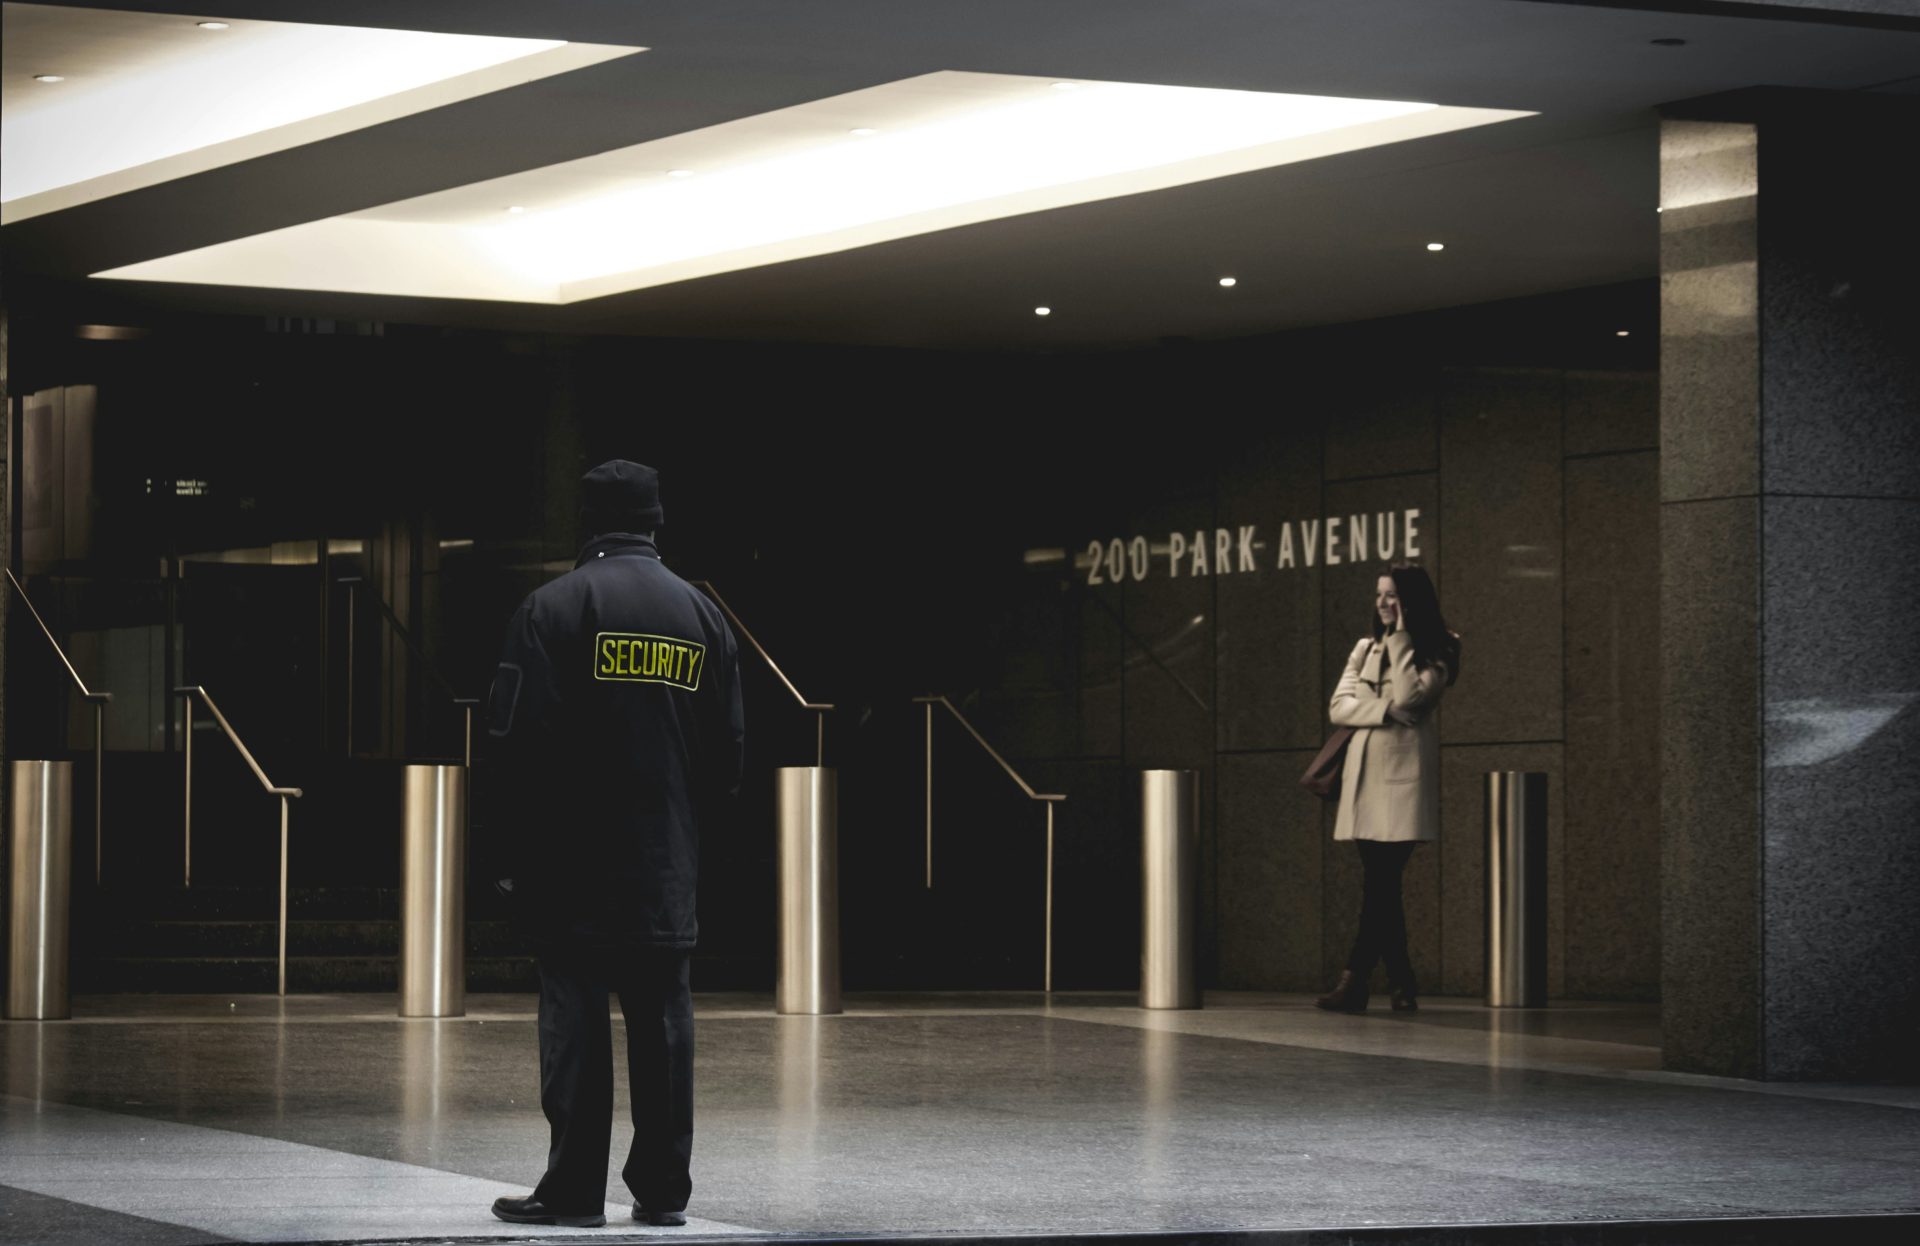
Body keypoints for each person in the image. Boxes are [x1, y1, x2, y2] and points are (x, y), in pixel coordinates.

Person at [487, 460, 745, 1229]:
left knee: (575, 1024)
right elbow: (729, 760)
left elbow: (515, 748)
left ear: (588, 522)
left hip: (572, 867)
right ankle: (663, 1192)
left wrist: (510, 861)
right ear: (657, 520)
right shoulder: (704, 616)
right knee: (665, 1024)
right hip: (665, 862)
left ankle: (572, 1191)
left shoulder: (552, 608)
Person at [1316, 562, 1459, 1014]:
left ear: (1411, 600)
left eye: (1392, 595)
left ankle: (1354, 979)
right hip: (1363, 783)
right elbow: (1338, 708)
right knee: (1383, 887)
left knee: (1380, 884)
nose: (1382, 603)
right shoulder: (1364, 648)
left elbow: (1414, 698)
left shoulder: (1440, 648)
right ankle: (1402, 982)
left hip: (1401, 786)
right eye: (1379, 594)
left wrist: (1400, 638)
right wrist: (1383, 711)